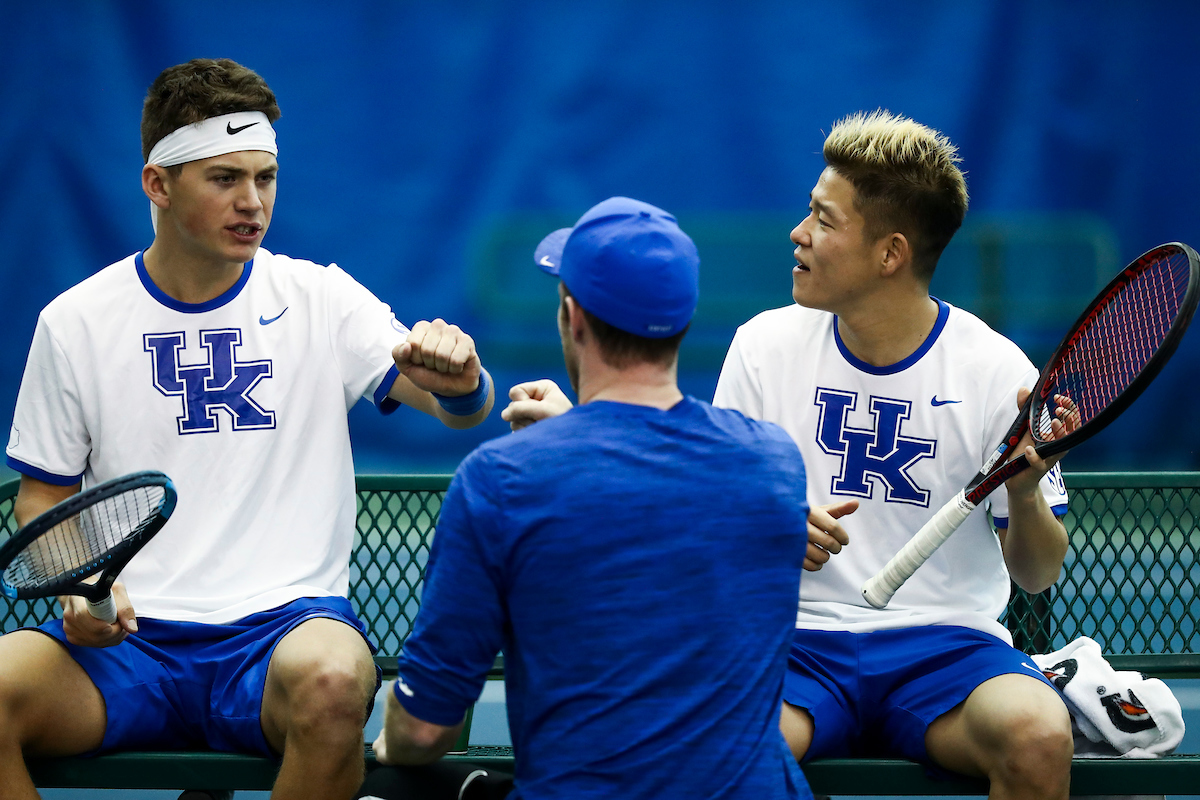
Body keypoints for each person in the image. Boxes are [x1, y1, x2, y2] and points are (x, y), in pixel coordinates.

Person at [0, 58, 493, 800]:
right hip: (127, 649)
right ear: (157, 185)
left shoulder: (321, 297)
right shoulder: (74, 322)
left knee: (333, 685)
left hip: (283, 634)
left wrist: (462, 382)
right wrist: (82, 581)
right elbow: (43, 498)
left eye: (264, 177)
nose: (252, 201)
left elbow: (459, 408)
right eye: (224, 178)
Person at [365, 197, 813, 800]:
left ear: (573, 317)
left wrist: (388, 751)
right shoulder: (774, 463)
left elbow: (424, 730)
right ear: (682, 319)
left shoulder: (502, 480)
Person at [712, 110, 1077, 799]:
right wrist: (771, 529)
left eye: (823, 219)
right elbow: (714, 525)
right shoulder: (761, 346)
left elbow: (1035, 574)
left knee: (1039, 736)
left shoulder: (997, 371)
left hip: (948, 651)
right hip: (794, 644)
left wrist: (1025, 494)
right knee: (717, 741)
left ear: (890, 254)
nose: (798, 234)